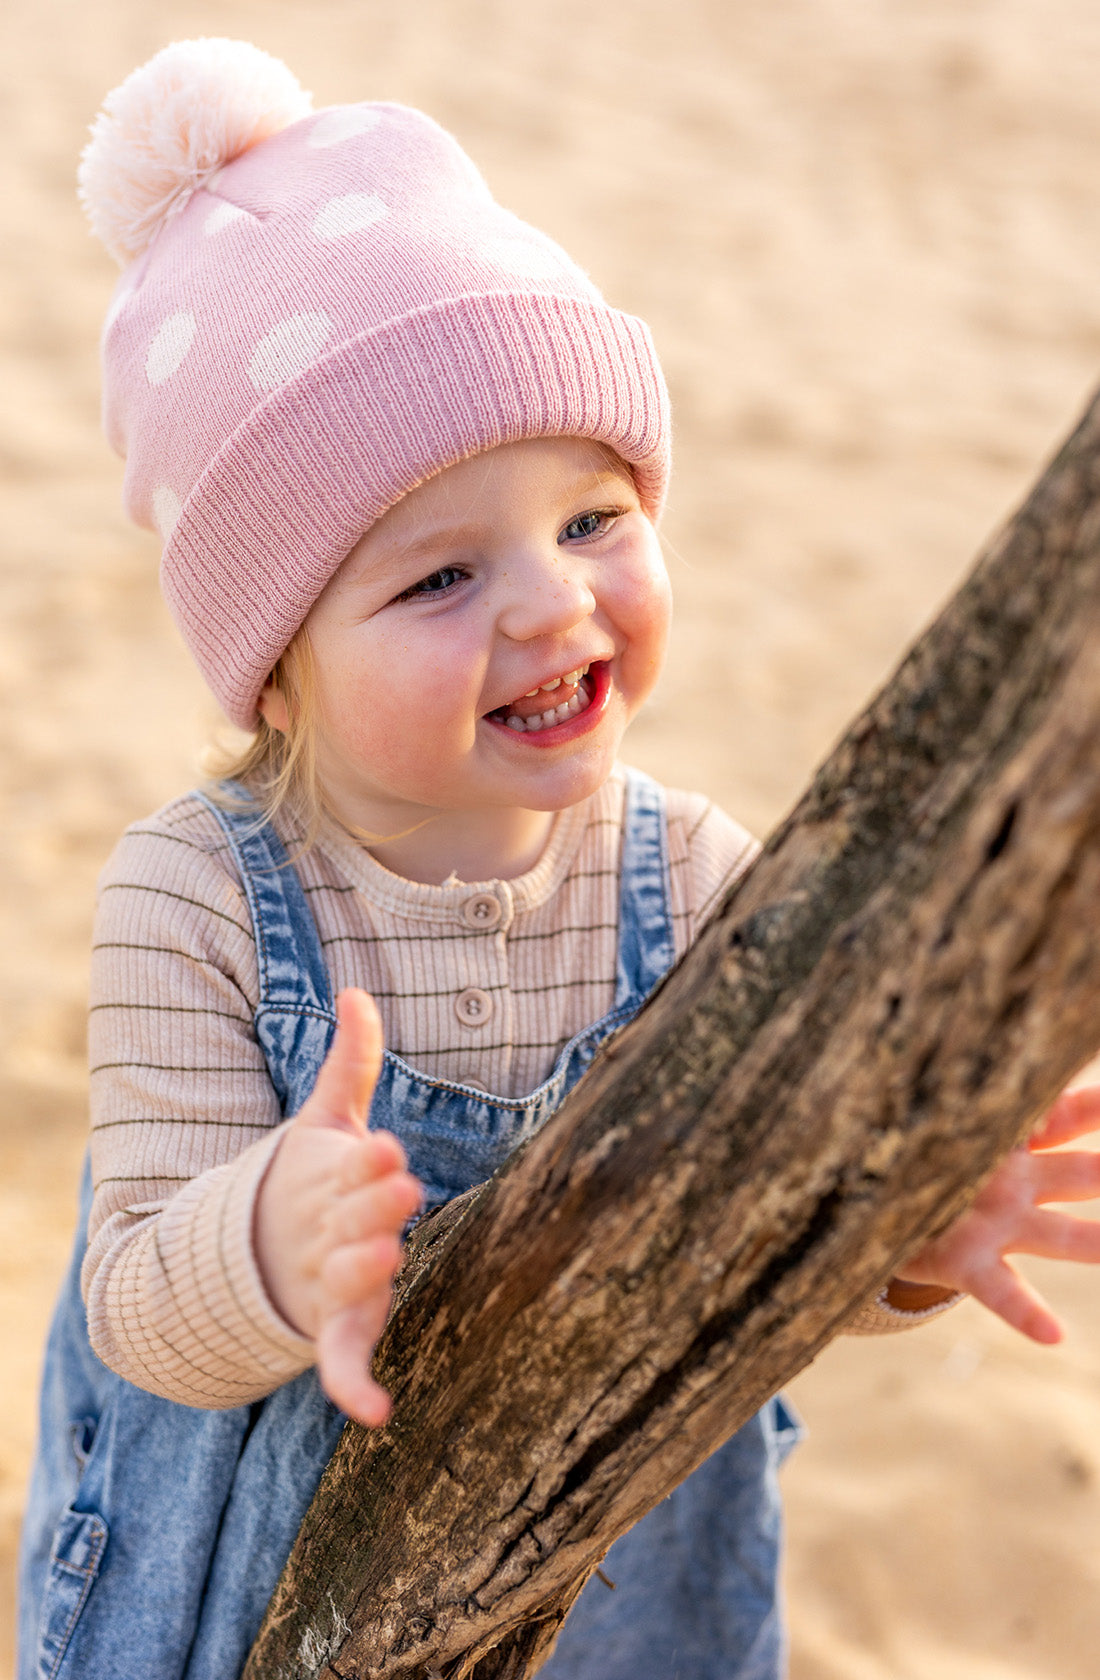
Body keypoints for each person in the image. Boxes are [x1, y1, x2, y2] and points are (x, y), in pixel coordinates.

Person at [18, 37, 1100, 1680]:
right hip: (261, 1593)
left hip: (613, 1591)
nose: (548, 602)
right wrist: (266, 1243)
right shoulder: (199, 892)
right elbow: (138, 1304)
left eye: (593, 517)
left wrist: (898, 1240)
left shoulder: (692, 873)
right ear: (281, 663)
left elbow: (758, 1226)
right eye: (439, 578)